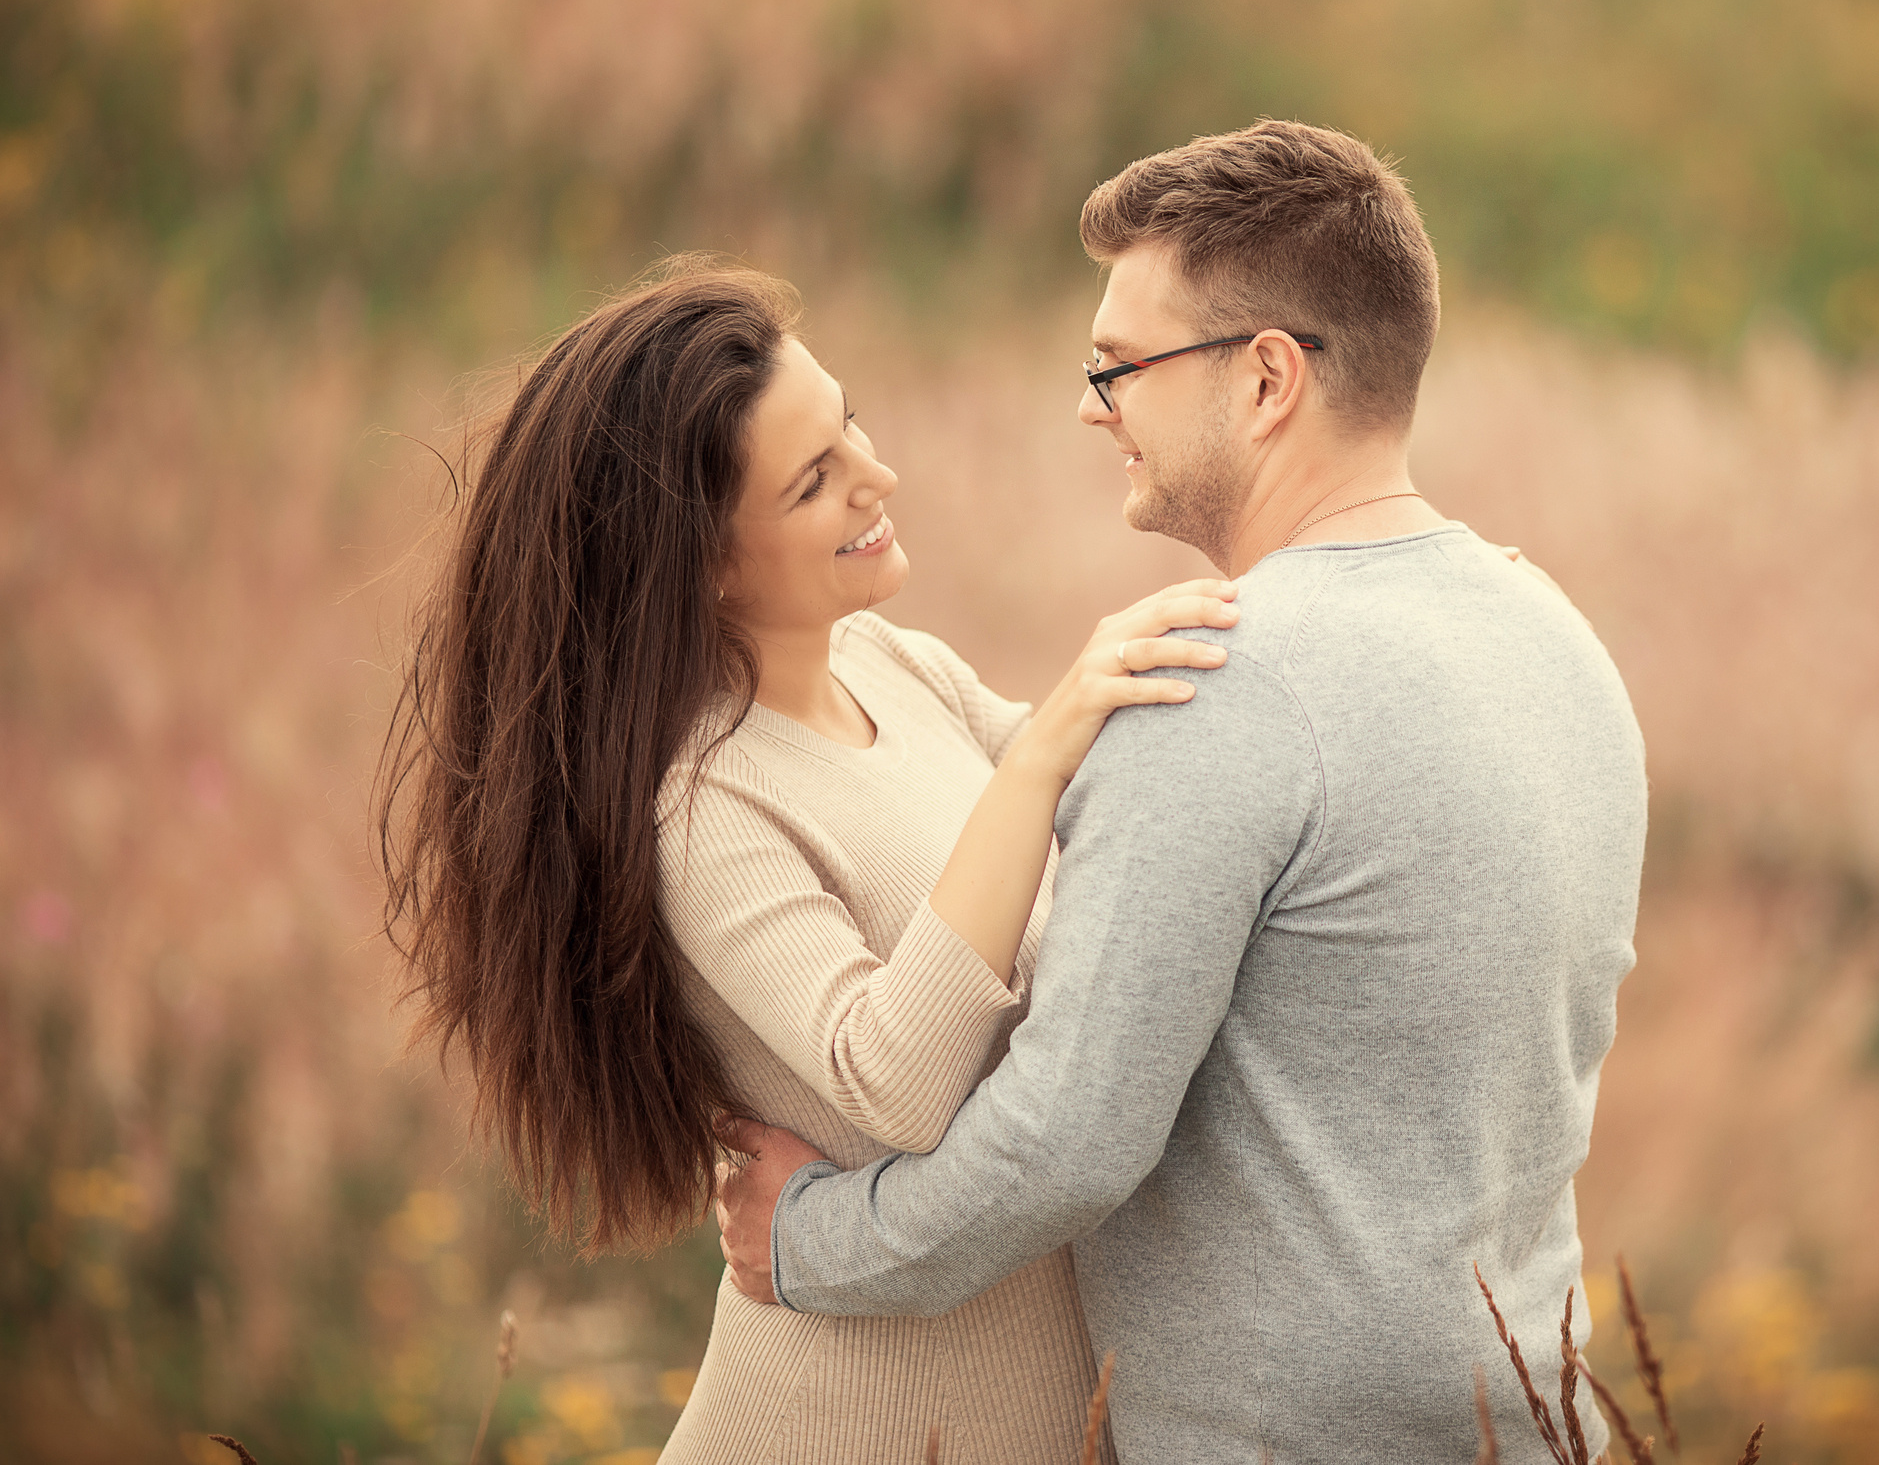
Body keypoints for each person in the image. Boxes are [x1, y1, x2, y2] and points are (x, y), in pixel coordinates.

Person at [713, 120, 1650, 1460]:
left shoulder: (1212, 676)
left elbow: (1066, 1140)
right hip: (1537, 1423)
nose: (1093, 408)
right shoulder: (1552, 632)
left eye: (1120, 368)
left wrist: (810, 1237)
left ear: (1267, 378)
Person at [377, 258, 1237, 1462]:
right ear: (704, 564)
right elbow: (892, 1080)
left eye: (853, 431)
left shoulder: (895, 665)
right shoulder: (702, 802)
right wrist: (1037, 760)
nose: (876, 480)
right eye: (813, 483)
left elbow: (1138, 813)